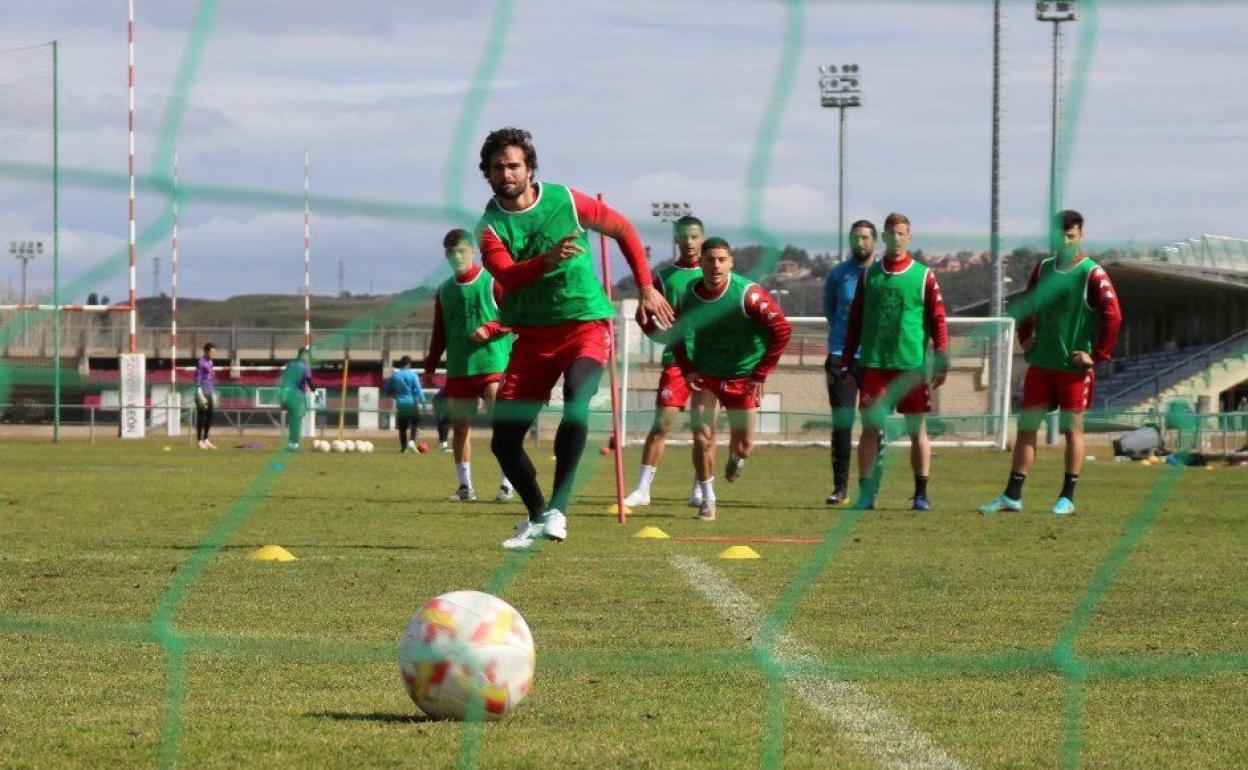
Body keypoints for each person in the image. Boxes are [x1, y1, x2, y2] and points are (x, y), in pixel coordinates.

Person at [474, 126, 674, 550]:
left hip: (585, 322)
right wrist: (546, 260)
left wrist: (645, 286)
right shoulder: (489, 228)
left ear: (530, 168)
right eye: (498, 167)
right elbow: (507, 274)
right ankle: (536, 515)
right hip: (531, 336)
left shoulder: (565, 200)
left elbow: (623, 230)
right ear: (487, 174)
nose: (506, 173)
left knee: (579, 399)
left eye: (514, 165)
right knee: (504, 442)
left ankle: (560, 509)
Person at [979, 210, 1121, 516]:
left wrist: (1096, 356)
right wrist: (1025, 336)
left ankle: (1067, 496)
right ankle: (1012, 495)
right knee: (1027, 428)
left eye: (1072, 236)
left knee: (1073, 430)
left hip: (1073, 369)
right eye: (1061, 236)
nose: (1066, 241)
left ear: (1081, 235)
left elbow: (1114, 315)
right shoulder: (1042, 269)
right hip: (1041, 365)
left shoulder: (1091, 272)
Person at [648, 237, 791, 521]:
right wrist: (688, 368)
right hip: (707, 375)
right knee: (702, 437)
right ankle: (707, 498)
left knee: (744, 446)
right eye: (710, 260)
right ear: (700, 262)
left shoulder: (748, 294)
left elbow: (782, 330)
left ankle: (736, 459)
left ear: (731, 263)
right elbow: (677, 333)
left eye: (722, 260)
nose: (716, 265)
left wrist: (760, 373)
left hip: (744, 377)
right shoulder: (691, 295)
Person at [840, 212, 949, 511]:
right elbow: (855, 320)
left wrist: (942, 357)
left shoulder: (924, 275)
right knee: (870, 429)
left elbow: (938, 319)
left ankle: (921, 493)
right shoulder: (869, 275)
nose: (897, 238)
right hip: (875, 365)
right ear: (884, 237)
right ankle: (866, 494)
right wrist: (847, 359)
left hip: (910, 365)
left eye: (902, 233)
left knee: (917, 430)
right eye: (892, 233)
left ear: (909, 237)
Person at [423, 228, 515, 502]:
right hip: (460, 367)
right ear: (446, 255)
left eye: (462, 251)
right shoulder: (445, 291)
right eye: (452, 253)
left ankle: (508, 482)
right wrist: (429, 367)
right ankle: (465, 487)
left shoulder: (491, 281)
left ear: (472, 251)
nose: (457, 256)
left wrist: (489, 329)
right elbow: (439, 332)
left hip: (491, 363)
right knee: (460, 426)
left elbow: (513, 316)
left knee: (501, 424)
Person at [623, 214, 705, 509]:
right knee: (661, 425)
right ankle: (643, 489)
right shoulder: (663, 278)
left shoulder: (716, 274)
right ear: (675, 239)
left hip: (710, 362)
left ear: (703, 238)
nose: (689, 242)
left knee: (703, 430)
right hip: (677, 363)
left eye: (694, 236)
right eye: (683, 236)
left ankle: (701, 489)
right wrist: (660, 336)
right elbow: (643, 317)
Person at [822, 220, 877, 504]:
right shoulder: (837, 275)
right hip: (841, 357)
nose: (860, 243)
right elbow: (831, 310)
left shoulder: (882, 274)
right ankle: (840, 488)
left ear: (875, 242)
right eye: (855, 238)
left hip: (874, 359)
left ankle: (869, 489)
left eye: (866, 238)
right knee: (842, 424)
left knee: (873, 424)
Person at [384, 355, 427, 453]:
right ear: (409, 364)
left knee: (402, 428)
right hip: (412, 403)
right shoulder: (413, 375)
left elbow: (386, 389)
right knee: (415, 423)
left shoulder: (396, 376)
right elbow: (418, 390)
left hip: (401, 404)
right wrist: (423, 402)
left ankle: (403, 449)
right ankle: (411, 441)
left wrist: (392, 394)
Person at [278, 347, 315, 451]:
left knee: (293, 420)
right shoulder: (304, 366)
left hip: (288, 395)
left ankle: (291, 444)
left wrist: (282, 398)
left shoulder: (290, 364)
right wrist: (316, 393)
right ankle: (294, 445)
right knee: (297, 420)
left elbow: (285, 380)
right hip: (297, 397)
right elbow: (309, 381)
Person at [195, 342, 218, 450]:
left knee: (210, 416)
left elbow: (210, 377)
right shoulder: (201, 362)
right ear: (206, 351)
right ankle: (199, 441)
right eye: (212, 351)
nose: (214, 353)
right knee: (202, 416)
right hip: (202, 393)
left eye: (214, 352)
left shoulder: (210, 362)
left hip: (209, 392)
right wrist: (199, 392)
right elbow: (198, 377)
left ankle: (206, 439)